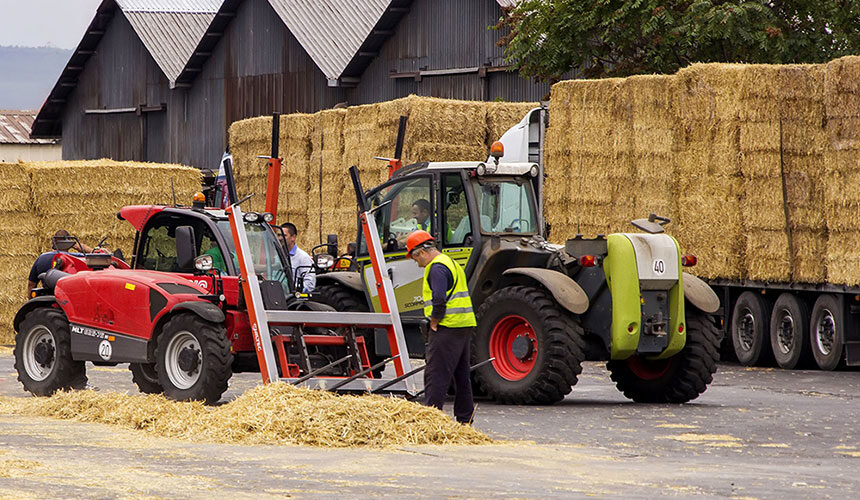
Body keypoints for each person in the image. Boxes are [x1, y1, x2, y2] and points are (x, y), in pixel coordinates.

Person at [406, 229, 476, 424]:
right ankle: (465, 420)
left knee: (436, 374)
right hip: (463, 325)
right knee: (461, 376)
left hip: (447, 326)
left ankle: (430, 421)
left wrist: (434, 321)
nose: (417, 264)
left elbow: (439, 298)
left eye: (415, 259)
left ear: (420, 252)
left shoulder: (436, 267)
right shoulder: (451, 262)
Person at [26, 230, 93, 296]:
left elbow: (31, 284)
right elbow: (98, 255)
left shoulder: (42, 258)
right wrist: (82, 247)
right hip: (70, 296)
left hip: (48, 296)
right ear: (69, 243)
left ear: (53, 242)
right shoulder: (77, 257)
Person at [278, 222, 315, 293]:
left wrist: (296, 290)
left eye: (284, 235)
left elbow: (310, 284)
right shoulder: (276, 255)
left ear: (293, 237)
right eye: (279, 235)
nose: (280, 238)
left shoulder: (303, 257)